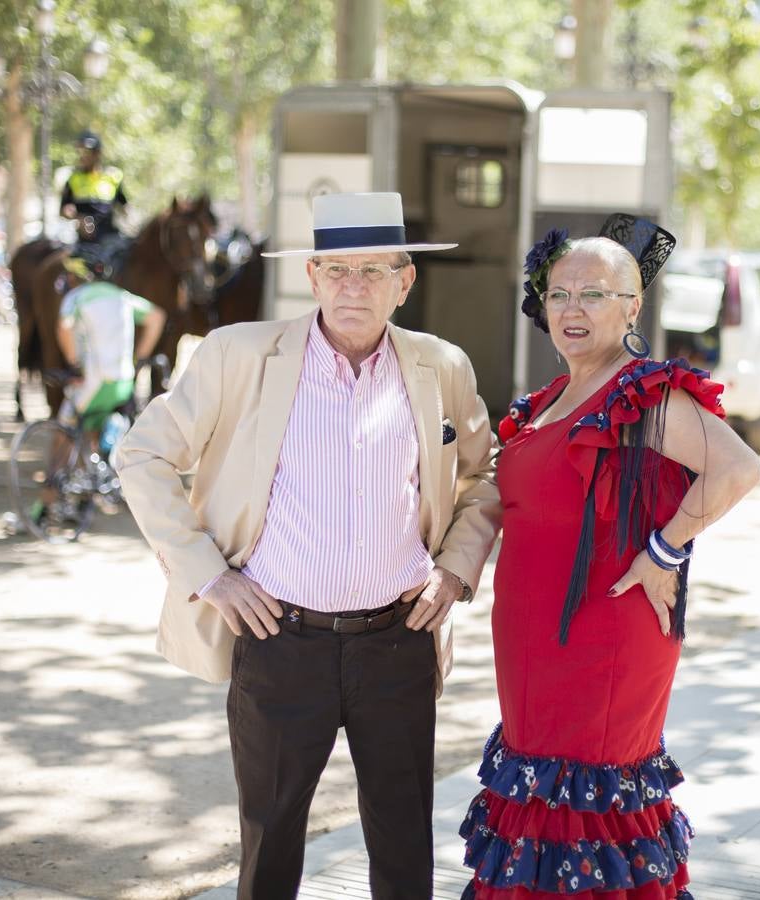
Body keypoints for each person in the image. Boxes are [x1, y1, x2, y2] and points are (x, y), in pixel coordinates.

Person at [113, 192, 501, 900]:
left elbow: (486, 472)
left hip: (399, 642)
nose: (354, 288)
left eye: (374, 271)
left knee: (404, 838)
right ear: (313, 276)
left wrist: (455, 569)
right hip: (280, 642)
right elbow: (141, 455)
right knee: (271, 839)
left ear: (404, 281)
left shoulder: (440, 366)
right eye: (338, 271)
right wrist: (208, 575)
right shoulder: (238, 354)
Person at [458, 217, 760, 899]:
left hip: (606, 639)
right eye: (559, 293)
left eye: (594, 294)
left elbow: (737, 469)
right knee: (541, 789)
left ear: (633, 306)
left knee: (589, 797)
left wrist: (664, 550)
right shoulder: (544, 403)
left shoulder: (644, 394)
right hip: (534, 645)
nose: (572, 308)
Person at [55, 253, 165, 446]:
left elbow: (64, 327)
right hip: (124, 381)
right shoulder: (121, 296)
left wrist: (74, 364)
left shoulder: (76, 297)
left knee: (65, 428)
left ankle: (60, 471)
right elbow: (157, 317)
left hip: (96, 382)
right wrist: (139, 359)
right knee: (103, 438)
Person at [60, 130, 129, 269]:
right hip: (85, 242)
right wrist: (78, 218)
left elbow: (124, 206)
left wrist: (130, 220)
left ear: (98, 153)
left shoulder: (113, 177)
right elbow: (64, 210)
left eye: (86, 151)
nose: (82, 156)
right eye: (80, 151)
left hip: (111, 239)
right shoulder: (73, 179)